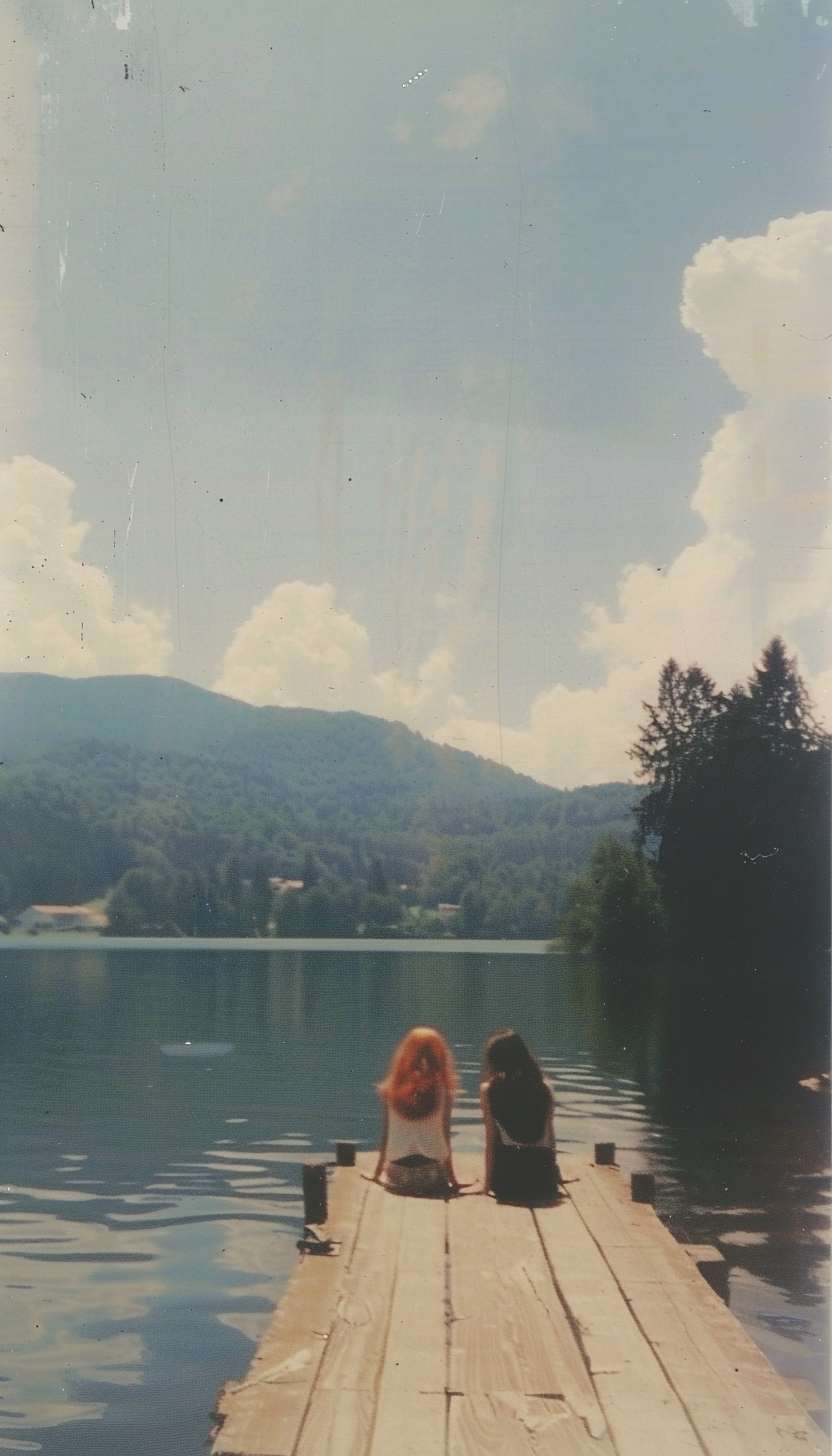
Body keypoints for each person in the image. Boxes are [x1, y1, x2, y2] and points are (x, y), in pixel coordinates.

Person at [370, 1027, 463, 1197]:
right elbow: (445, 1138)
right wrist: (453, 1181)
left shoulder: (390, 1090)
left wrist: (376, 1174)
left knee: (390, 1168)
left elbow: (385, 1137)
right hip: (433, 1177)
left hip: (398, 1178)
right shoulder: (443, 1092)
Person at [480, 1029, 560, 1205]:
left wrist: (487, 1185)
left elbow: (491, 1141)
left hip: (508, 1182)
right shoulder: (545, 1087)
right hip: (543, 1181)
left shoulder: (489, 1090)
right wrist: (555, 1176)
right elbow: (550, 1137)